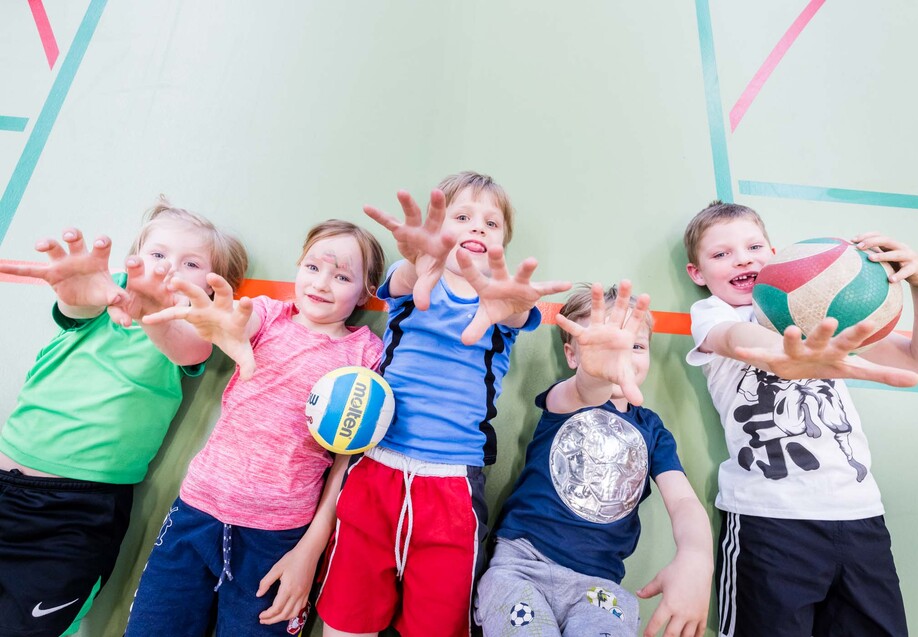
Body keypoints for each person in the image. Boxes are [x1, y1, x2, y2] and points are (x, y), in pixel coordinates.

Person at [682, 200, 918, 637]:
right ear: (698, 274)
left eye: (754, 246)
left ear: (775, 256)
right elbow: (739, 340)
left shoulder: (817, 318)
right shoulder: (716, 315)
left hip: (859, 516)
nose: (742, 259)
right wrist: (793, 354)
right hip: (768, 524)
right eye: (721, 254)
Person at [315, 171, 571, 637]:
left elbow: (515, 310)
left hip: (452, 487)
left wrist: (509, 298)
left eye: (491, 224)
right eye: (462, 217)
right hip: (376, 468)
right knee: (347, 622)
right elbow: (407, 276)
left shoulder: (502, 301)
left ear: (502, 245)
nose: (477, 228)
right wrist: (420, 260)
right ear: (437, 232)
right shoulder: (415, 281)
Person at [124, 219, 386, 637]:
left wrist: (309, 551)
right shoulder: (266, 313)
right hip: (196, 515)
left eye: (342, 276)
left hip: (277, 540)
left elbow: (347, 467)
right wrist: (214, 323)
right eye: (314, 267)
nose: (322, 283)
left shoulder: (365, 353)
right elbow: (229, 329)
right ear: (299, 266)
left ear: (365, 291)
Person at [0, 197, 248, 637]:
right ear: (135, 259)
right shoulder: (104, 294)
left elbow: (189, 348)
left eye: (190, 263)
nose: (168, 268)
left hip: (77, 511)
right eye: (157, 255)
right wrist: (76, 299)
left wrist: (153, 313)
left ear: (210, 286)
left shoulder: (192, 322)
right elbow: (77, 309)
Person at [474, 281, 713, 637]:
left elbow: (682, 502)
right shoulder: (564, 399)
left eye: (636, 345)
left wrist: (697, 559)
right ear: (572, 356)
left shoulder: (652, 430)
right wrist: (596, 370)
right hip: (521, 568)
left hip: (598, 588)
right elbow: (587, 387)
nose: (622, 356)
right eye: (604, 345)